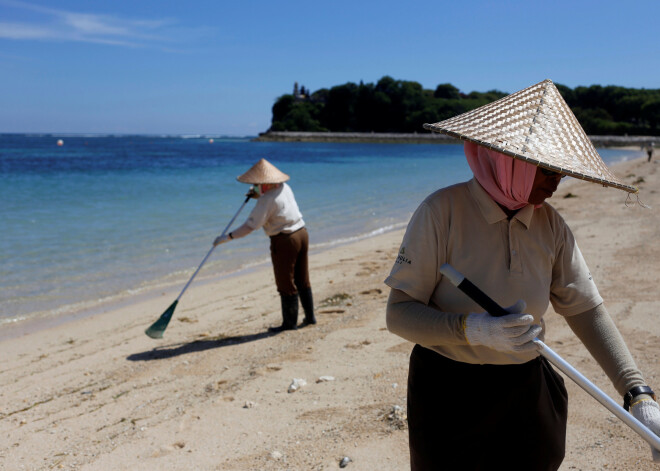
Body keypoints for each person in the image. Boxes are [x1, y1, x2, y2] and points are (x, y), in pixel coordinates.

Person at [385, 80, 660, 470]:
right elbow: (398, 314)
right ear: (508, 160)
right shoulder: (440, 212)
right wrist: (473, 329)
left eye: (562, 172)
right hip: (448, 393)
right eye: (548, 170)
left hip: (528, 390)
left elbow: (586, 310)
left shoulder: (551, 225)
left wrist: (638, 394)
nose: (557, 182)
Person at [214, 158, 315, 332]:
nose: (254, 185)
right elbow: (273, 201)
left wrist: (227, 237)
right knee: (302, 278)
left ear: (264, 182)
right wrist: (257, 195)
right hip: (302, 233)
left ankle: (289, 324)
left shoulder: (266, 200)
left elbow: (250, 226)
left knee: (285, 282)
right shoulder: (284, 187)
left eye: (256, 183)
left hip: (285, 240)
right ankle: (310, 317)